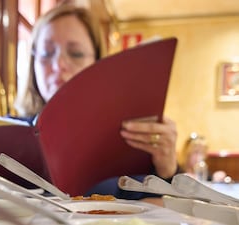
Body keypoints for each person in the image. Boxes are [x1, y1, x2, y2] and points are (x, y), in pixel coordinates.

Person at [14, 3, 178, 205]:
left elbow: (163, 207)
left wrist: (168, 170)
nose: (59, 65)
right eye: (47, 53)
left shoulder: (126, 136)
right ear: (33, 64)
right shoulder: (7, 132)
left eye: (76, 54)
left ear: (98, 63)